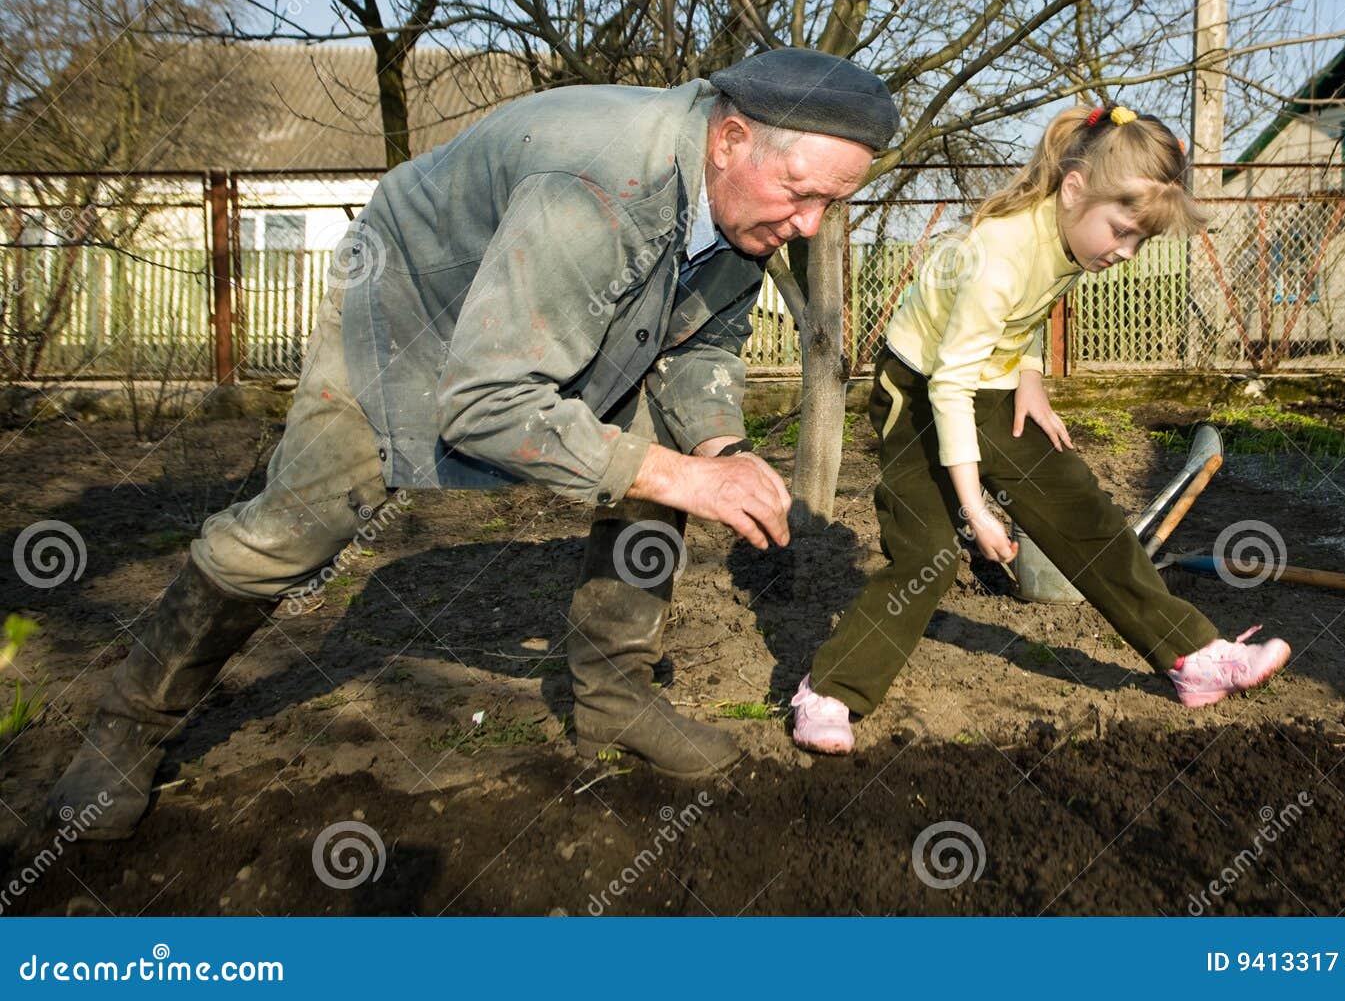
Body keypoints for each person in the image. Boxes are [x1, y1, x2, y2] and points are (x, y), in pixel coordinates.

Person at [47, 48, 897, 837]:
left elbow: (700, 340)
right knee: (297, 525)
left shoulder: (743, 212)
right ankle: (128, 724)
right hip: (411, 310)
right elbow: (484, 401)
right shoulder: (598, 189)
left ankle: (613, 694)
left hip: (572, 313)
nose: (813, 225)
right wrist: (673, 470)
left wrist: (715, 451)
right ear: (732, 138)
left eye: (834, 202)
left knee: (667, 464)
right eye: (801, 191)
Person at [789, 103, 1290, 755]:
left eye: (1141, 240)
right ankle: (829, 690)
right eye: (1123, 231)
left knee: (1081, 510)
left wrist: (1030, 379)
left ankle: (1192, 656)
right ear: (1075, 189)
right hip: (918, 387)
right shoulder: (997, 252)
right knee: (930, 555)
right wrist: (975, 505)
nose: (1126, 252)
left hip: (990, 381)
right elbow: (950, 382)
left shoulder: (1071, 233)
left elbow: (1028, 309)